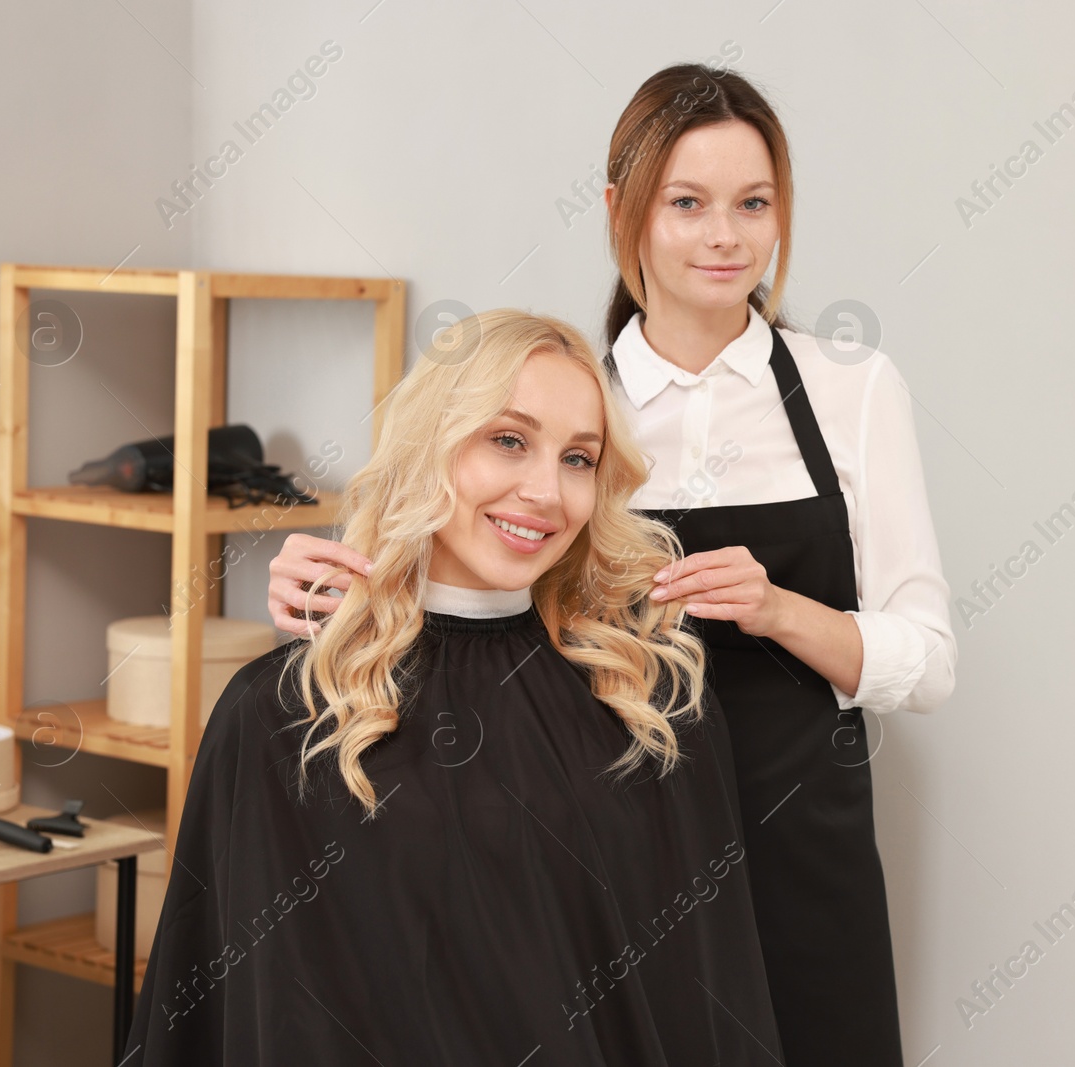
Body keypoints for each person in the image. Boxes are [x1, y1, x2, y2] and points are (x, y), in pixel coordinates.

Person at [270, 64, 958, 1065]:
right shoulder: (564, 398)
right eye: (687, 203)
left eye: (751, 204)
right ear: (621, 211)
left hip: (798, 849)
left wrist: (776, 609)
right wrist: (317, 581)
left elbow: (929, 661)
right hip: (609, 845)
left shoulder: (851, 388)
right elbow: (457, 578)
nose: (724, 237)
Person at [125, 310, 783, 1065]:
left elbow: (708, 1003)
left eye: (578, 458)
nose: (545, 490)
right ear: (429, 449)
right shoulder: (282, 712)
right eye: (508, 440)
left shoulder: (651, 705)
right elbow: (239, 1008)